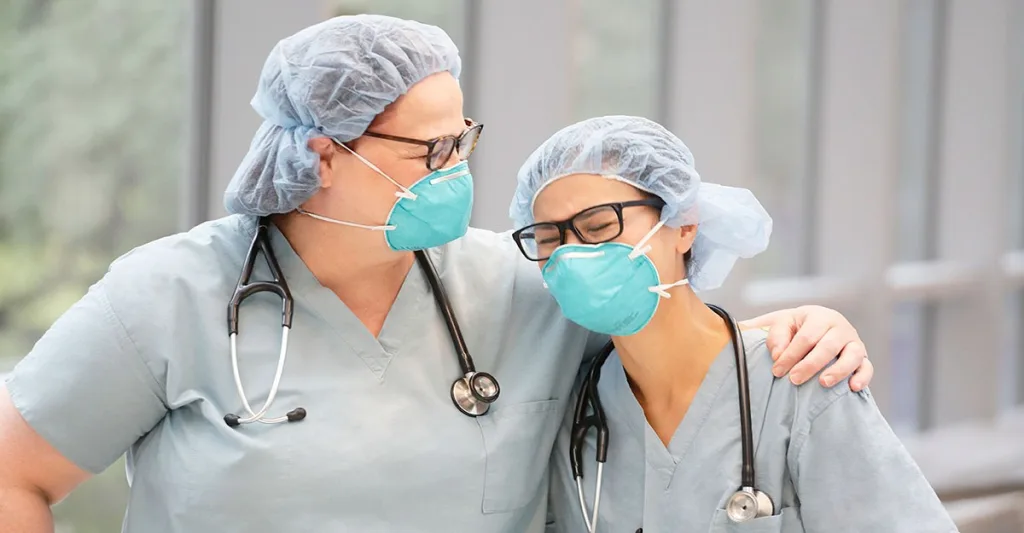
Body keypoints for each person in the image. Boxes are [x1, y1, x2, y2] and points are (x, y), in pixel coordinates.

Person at [0, 16, 873, 533]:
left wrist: (797, 330)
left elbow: (667, 345)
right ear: (323, 152)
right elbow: (16, 474)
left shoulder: (519, 286)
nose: (458, 167)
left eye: (463, 139)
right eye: (430, 150)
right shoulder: (169, 294)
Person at [509, 116, 956, 532]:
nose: (572, 254)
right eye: (550, 238)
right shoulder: (574, 413)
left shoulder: (801, 381)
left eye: (599, 225)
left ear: (683, 225)